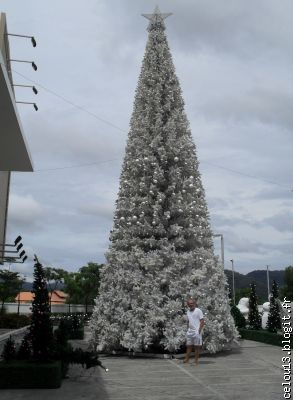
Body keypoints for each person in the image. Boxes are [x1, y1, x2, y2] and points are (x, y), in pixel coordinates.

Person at [183, 298, 204, 365]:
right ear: (187, 305)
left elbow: (202, 321)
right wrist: (187, 329)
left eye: (192, 303)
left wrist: (199, 330)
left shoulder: (198, 311)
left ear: (194, 304)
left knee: (196, 347)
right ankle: (187, 359)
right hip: (190, 331)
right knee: (189, 346)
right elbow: (189, 321)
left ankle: (196, 361)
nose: (190, 305)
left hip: (196, 331)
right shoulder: (188, 311)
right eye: (189, 304)